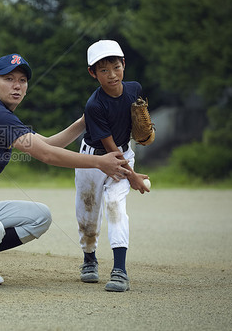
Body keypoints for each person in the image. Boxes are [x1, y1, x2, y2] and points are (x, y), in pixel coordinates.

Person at [0, 53, 130, 287]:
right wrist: (99, 162)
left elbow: (48, 144)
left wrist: (84, 121)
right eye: (9, 79)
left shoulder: (3, 116)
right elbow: (46, 155)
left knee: (39, 216)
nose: (17, 85)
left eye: (22, 80)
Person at [74, 40, 150, 292]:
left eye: (116, 67)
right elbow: (109, 149)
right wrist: (133, 177)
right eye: (103, 70)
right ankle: (89, 258)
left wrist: (141, 134)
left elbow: (132, 128)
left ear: (124, 65)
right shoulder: (94, 105)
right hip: (92, 161)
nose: (111, 75)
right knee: (88, 213)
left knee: (116, 206)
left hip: (123, 154)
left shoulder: (134, 89)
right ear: (92, 73)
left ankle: (120, 270)